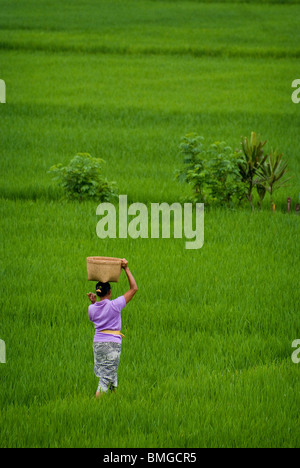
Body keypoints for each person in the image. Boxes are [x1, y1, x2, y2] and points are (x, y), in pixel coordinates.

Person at [87, 258, 138, 398]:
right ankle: (95, 407)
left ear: (97, 293)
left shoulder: (91, 308)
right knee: (105, 379)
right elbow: (134, 289)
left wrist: (93, 302)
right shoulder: (115, 305)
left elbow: (97, 312)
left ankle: (114, 400)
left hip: (98, 344)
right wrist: (126, 269)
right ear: (109, 292)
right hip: (111, 344)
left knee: (110, 374)